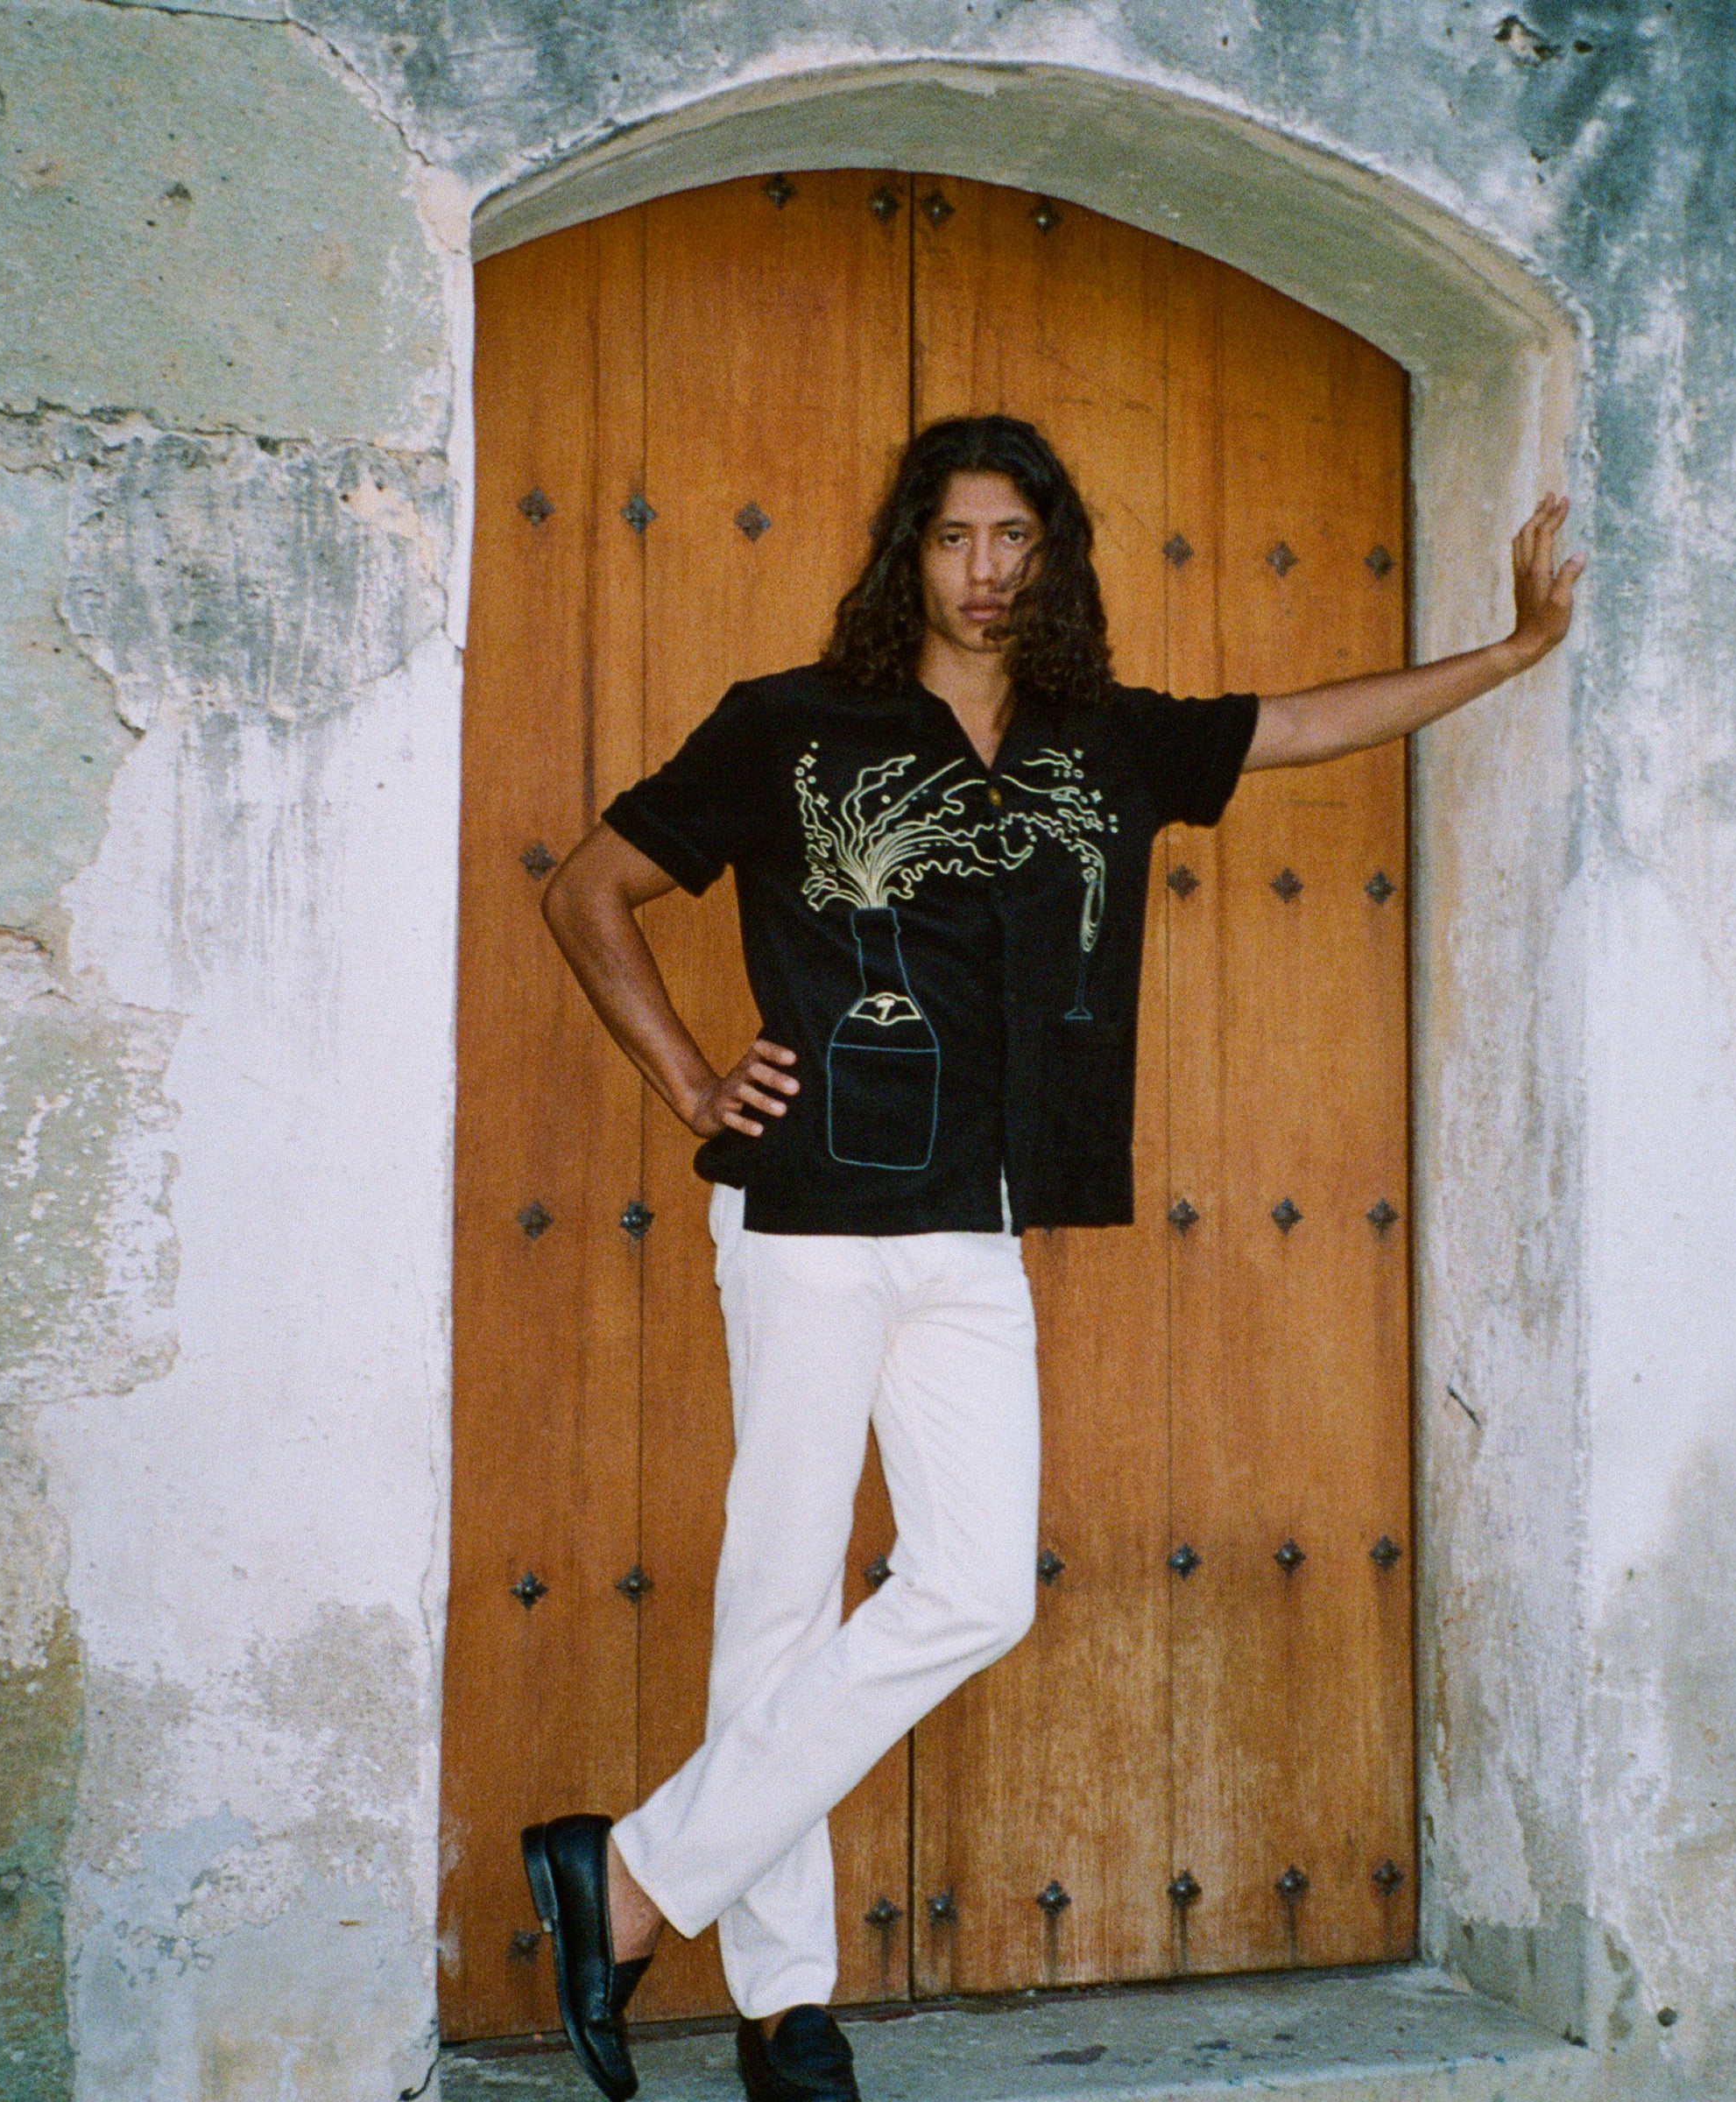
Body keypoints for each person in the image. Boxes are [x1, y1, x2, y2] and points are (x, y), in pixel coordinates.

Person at [523, 414, 1584, 2102]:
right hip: (804, 1213)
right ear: (909, 553)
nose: (987, 571)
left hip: (975, 1223)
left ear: (1054, 556)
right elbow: (589, 890)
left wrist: (1520, 653)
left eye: (1017, 539)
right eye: (955, 538)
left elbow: (1302, 726)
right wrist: (687, 1077)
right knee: (780, 1590)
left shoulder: (1107, 741)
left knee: (972, 1587)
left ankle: (634, 1873)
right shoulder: (791, 724)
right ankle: (785, 2006)